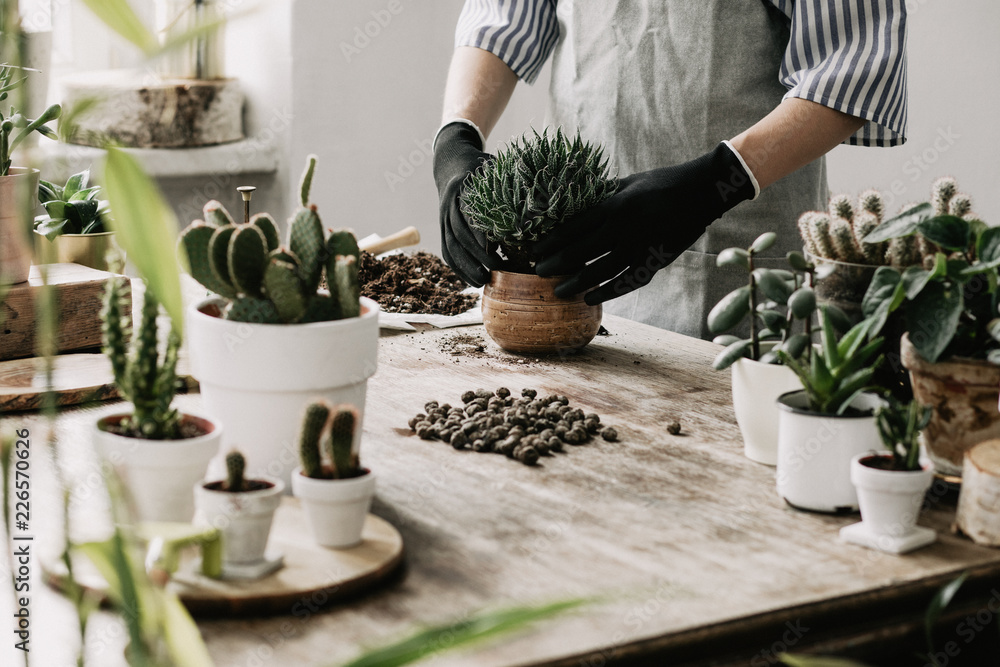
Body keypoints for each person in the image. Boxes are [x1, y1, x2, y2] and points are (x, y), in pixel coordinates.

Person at [433, 1, 907, 339]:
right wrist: (456, 138)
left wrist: (712, 185)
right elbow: (501, 19)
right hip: (572, 254)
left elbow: (854, 66)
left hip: (733, 251)